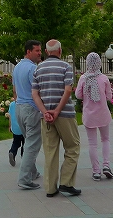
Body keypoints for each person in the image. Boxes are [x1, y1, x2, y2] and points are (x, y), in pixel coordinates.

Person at [32, 39, 81, 197]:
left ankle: (50, 188)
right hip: (65, 114)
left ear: (46, 52)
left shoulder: (38, 68)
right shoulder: (66, 67)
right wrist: (57, 110)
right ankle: (66, 183)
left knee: (50, 151)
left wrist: (45, 111)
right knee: (72, 147)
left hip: (46, 117)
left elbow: (35, 93)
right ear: (60, 51)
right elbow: (68, 90)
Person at [75, 52, 113, 181]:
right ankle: (106, 165)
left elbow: (78, 95)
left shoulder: (83, 78)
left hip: (89, 115)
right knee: (105, 139)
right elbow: (109, 96)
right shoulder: (104, 78)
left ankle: (96, 171)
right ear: (99, 63)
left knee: (92, 143)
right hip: (103, 113)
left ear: (87, 63)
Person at [12, 39, 43, 190]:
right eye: (37, 51)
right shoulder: (33, 69)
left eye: (40, 50)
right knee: (32, 144)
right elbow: (37, 91)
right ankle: (24, 179)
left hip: (19, 108)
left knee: (29, 141)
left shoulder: (17, 67)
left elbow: (14, 90)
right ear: (28, 51)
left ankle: (33, 172)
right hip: (31, 109)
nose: (40, 53)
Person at [7, 92, 24, 167]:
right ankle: (24, 158)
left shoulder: (12, 104)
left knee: (16, 143)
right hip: (24, 128)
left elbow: (10, 116)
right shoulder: (24, 105)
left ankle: (12, 152)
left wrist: (10, 126)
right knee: (25, 144)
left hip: (15, 128)